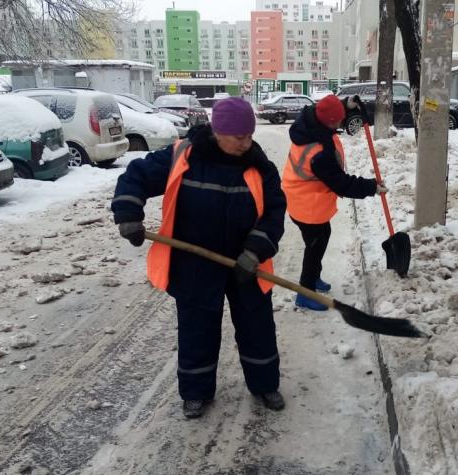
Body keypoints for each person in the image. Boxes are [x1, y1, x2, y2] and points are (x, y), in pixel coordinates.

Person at [111, 97, 287, 419]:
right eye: (239, 137)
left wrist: (255, 251)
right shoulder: (183, 155)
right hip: (195, 262)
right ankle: (195, 391)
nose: (246, 143)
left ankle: (264, 384)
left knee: (257, 325)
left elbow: (275, 214)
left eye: (250, 135)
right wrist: (128, 212)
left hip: (246, 262)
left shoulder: (259, 167)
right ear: (218, 132)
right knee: (196, 329)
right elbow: (135, 176)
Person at [281, 94, 386, 311]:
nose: (342, 123)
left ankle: (314, 277)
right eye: (339, 121)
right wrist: (371, 187)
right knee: (314, 246)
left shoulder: (311, 119)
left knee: (322, 237)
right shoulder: (319, 153)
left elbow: (330, 107)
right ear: (329, 122)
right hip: (306, 203)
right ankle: (305, 292)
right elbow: (341, 184)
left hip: (304, 196)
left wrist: (346, 103)